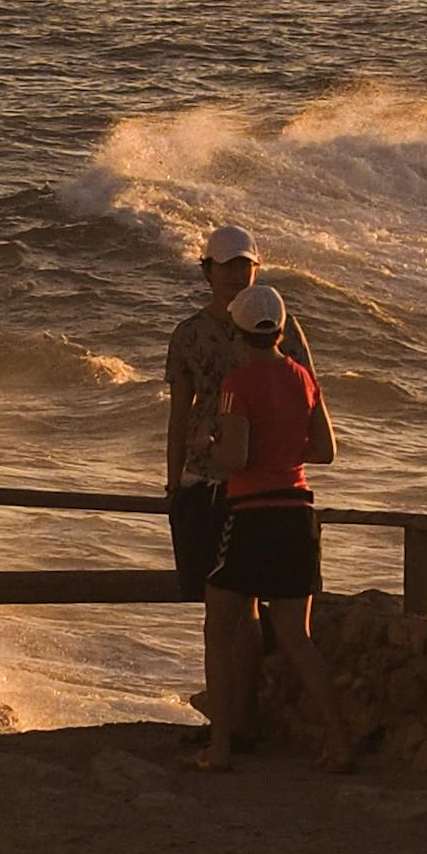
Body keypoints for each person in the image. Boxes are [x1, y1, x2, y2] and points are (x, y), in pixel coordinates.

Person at [198, 283, 353, 777]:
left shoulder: (236, 385)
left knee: (219, 633)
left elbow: (236, 458)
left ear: (237, 333)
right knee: (296, 637)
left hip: (251, 515)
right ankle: (340, 741)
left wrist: (211, 440)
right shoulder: (304, 379)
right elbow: (325, 450)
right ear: (281, 332)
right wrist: (282, 449)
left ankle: (219, 749)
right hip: (296, 512)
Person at [165, 221, 315, 601]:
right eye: (226, 265)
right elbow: (180, 414)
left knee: (249, 601)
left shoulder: (281, 327)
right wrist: (173, 485)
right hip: (204, 480)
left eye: (243, 265)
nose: (235, 274)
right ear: (207, 271)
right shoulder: (188, 334)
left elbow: (308, 394)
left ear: (256, 269)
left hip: (263, 481)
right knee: (212, 600)